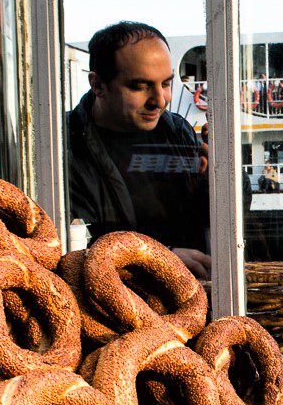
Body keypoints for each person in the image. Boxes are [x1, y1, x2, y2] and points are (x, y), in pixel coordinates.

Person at [67, 21, 212, 278]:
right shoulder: (64, 147)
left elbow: (214, 218)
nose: (160, 100)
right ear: (98, 85)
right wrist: (160, 258)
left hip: (192, 298)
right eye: (140, 86)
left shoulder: (178, 131)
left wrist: (220, 177)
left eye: (166, 83)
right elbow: (71, 253)